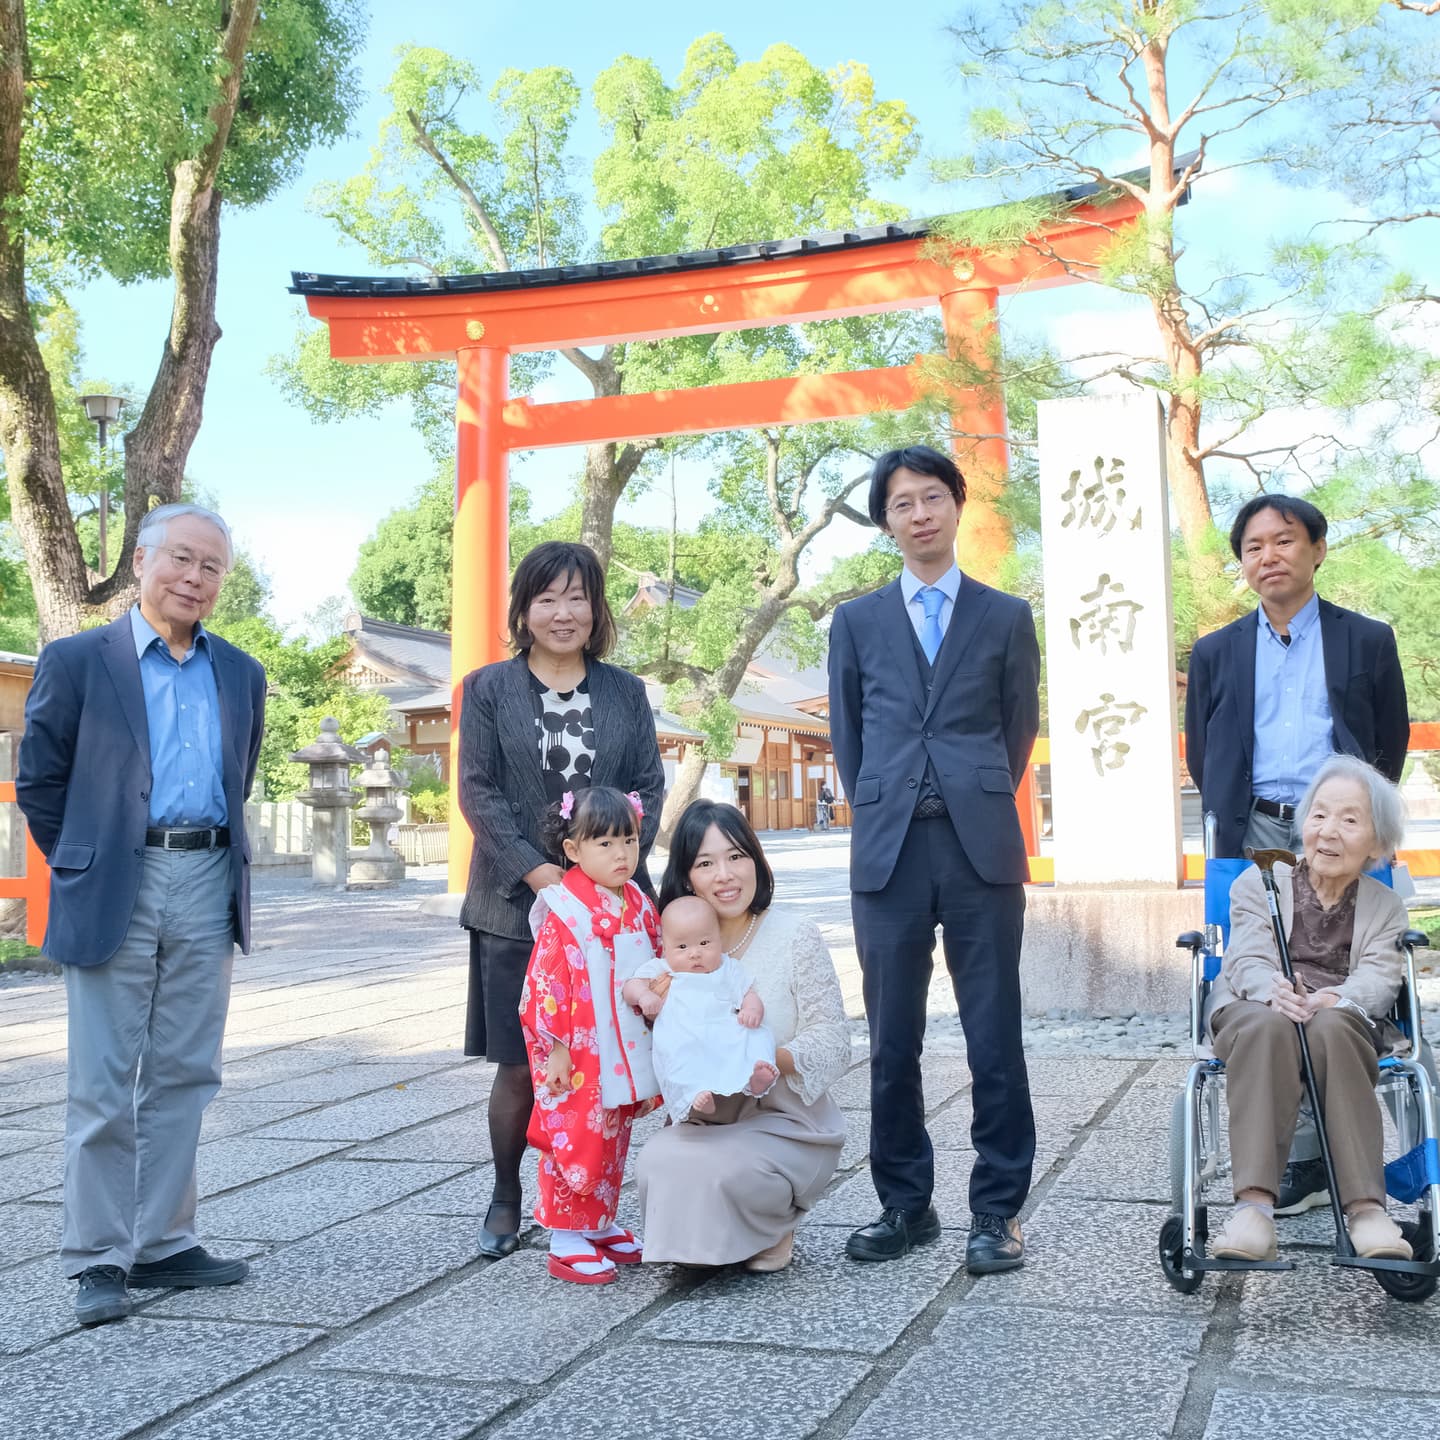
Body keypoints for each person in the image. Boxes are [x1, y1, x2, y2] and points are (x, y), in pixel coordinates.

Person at [16, 503, 266, 1328]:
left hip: (206, 874)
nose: (195, 579)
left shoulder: (240, 672)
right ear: (143, 560)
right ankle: (97, 1255)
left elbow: (243, 772)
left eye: (211, 568)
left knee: (187, 1070)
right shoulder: (80, 659)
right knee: (101, 1079)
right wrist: (85, 859)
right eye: (182, 560)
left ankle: (164, 1241)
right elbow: (43, 780)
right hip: (117, 878)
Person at [828, 444, 1040, 1274]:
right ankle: (905, 1204)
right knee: (892, 1038)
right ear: (887, 522)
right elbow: (850, 737)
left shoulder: (1004, 615)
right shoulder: (856, 621)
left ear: (957, 506)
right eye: (901, 504)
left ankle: (997, 1210)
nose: (919, 514)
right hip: (888, 852)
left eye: (931, 498)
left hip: (979, 845)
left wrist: (969, 789)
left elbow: (1016, 729)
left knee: (994, 1033)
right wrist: (893, 793)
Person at [1185, 492, 1409, 1212]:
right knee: (1274, 984)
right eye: (1253, 546)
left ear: (1317, 548)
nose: (1268, 556)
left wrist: (1349, 821)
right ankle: (1299, 1158)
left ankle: (1320, 1161)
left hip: (1338, 832)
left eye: (1284, 541)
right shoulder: (1218, 650)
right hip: (1256, 831)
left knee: (1337, 982)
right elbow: (1202, 748)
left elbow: (1389, 744)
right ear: (1241, 562)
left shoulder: (1365, 639)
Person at [457, 541, 664, 1260]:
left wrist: (608, 871)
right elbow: (477, 792)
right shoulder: (487, 689)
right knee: (525, 1061)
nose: (562, 612)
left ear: (597, 608)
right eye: (546, 598)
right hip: (515, 908)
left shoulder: (625, 693)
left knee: (608, 1055)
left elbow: (648, 786)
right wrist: (541, 876)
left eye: (578, 597)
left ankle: (590, 1200)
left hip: (606, 917)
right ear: (523, 608)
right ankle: (508, 1194)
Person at [1206, 756, 1413, 1262]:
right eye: (1319, 815)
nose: (1328, 832)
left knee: (1333, 1026)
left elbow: (1380, 977)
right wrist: (1273, 988)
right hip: (1257, 1007)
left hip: (1337, 1022)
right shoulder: (1258, 884)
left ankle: (1366, 1210)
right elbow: (1247, 956)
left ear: (1377, 842)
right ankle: (1253, 1210)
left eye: (1349, 819)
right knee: (1269, 1025)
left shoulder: (1387, 906)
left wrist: (1336, 998)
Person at [637, 801, 850, 1274]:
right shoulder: (678, 948)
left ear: (756, 859)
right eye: (705, 863)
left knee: (731, 1169)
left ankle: (773, 1225)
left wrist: (759, 1057)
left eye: (736, 856)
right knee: (656, 1160)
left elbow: (836, 1041)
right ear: (687, 877)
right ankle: (710, 1240)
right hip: (709, 1116)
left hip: (787, 1120)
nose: (725, 875)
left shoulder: (796, 934)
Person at [519, 786, 661, 1284]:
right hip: (576, 1046)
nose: (622, 854)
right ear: (572, 849)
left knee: (612, 1132)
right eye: (604, 843)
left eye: (629, 839)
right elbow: (546, 979)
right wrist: (555, 1049)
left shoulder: (638, 899)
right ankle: (564, 1236)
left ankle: (598, 1224)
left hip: (618, 1042)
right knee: (574, 1134)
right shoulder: (563, 905)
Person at [623, 895, 780, 1123]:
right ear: (665, 947)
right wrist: (644, 995)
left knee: (757, 1035)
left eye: (704, 943)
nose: (694, 953)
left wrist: (752, 1010)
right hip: (683, 1034)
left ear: (719, 939)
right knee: (680, 1059)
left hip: (722, 1032)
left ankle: (754, 1078)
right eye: (682, 946)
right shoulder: (662, 968)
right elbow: (630, 987)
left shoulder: (727, 968)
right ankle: (694, 1095)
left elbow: (748, 993)